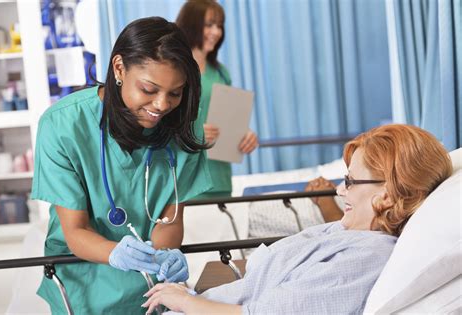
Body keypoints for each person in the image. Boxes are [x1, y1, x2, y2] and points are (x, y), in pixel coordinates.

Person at [142, 124, 453, 314]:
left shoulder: (367, 257)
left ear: (385, 196)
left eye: (351, 182)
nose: (341, 190)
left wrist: (186, 302)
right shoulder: (346, 232)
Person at [31, 17, 212, 314]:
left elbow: (169, 220)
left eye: (175, 93)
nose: (162, 105)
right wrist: (116, 252)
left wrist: (166, 255)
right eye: (149, 89)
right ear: (119, 68)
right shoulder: (62, 126)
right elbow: (75, 231)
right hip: (83, 289)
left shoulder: (183, 128)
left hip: (151, 292)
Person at [176, 0, 259, 198]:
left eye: (219, 25)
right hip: (187, 180)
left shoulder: (221, 73)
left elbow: (227, 118)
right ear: (191, 24)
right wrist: (193, 132)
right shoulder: (174, 70)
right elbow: (160, 122)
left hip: (220, 178)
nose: (216, 32)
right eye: (209, 24)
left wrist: (245, 134)